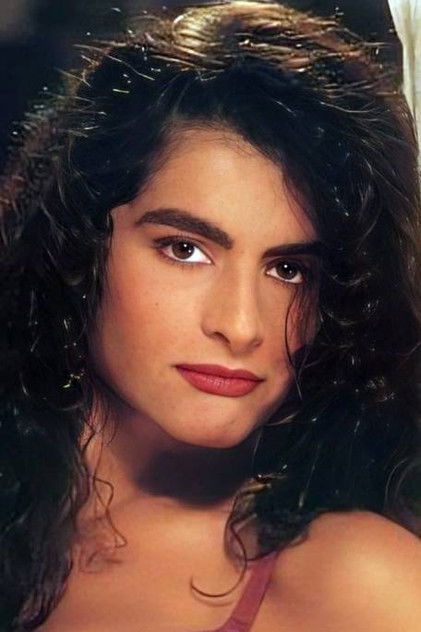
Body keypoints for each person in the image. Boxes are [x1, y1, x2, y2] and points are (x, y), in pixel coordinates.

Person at [1, 1, 421, 630]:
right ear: (78, 243)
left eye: (289, 269)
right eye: (185, 249)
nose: (241, 325)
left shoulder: (359, 582)